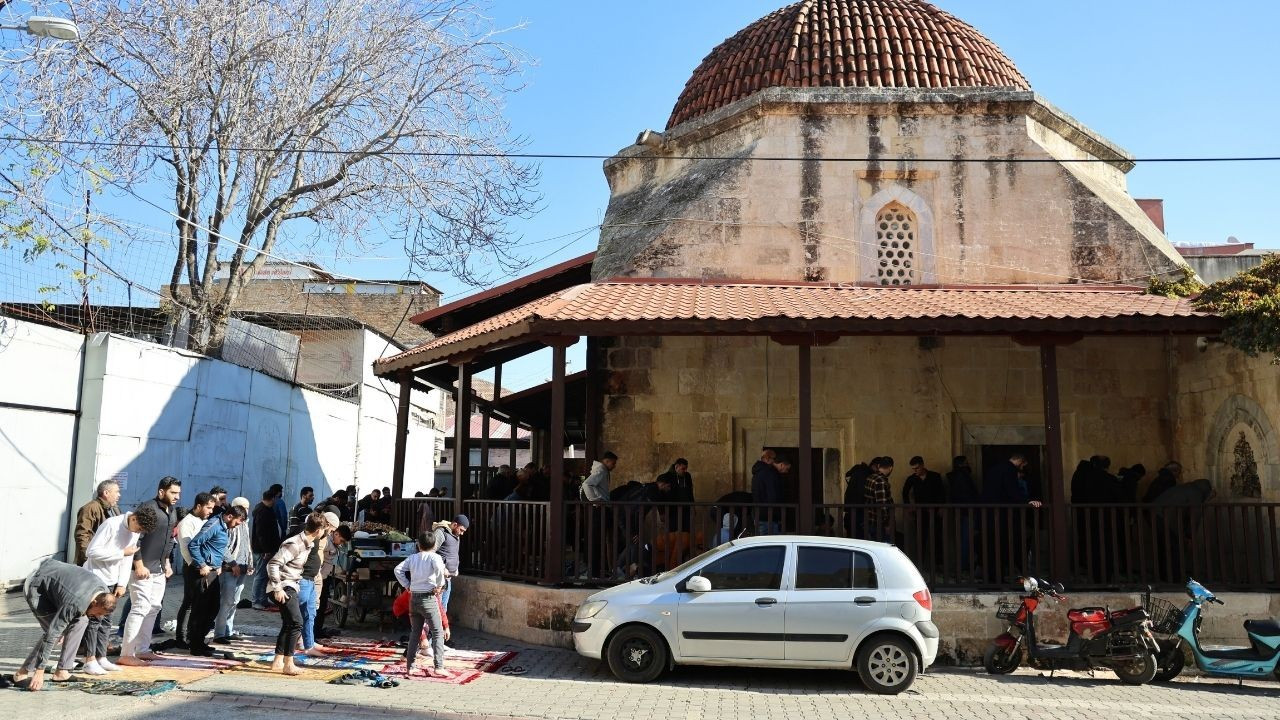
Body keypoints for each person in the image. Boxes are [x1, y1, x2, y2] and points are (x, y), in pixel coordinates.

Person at [13, 559, 116, 691]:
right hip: (38, 587)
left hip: (59, 586)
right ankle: (22, 673)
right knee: (57, 634)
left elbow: (91, 613)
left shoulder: (104, 592)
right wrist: (40, 671)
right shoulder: (75, 603)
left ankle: (62, 671)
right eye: (99, 613)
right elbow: (51, 634)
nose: (98, 616)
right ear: (95, 602)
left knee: (82, 621)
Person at [80, 505, 156, 674]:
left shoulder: (135, 531)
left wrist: (122, 583)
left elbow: (127, 559)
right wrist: (121, 552)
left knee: (107, 622)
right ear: (134, 518)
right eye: (139, 528)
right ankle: (89, 659)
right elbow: (91, 552)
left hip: (113, 581)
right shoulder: (111, 525)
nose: (139, 532)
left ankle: (101, 657)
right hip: (95, 577)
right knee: (94, 621)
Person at [118, 476, 181, 666]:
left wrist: (167, 562)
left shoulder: (172, 512)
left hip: (159, 569)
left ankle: (143, 650)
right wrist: (138, 564)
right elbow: (134, 538)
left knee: (154, 608)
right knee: (139, 608)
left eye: (178, 493)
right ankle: (126, 653)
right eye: (173, 492)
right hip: (142, 568)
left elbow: (170, 539)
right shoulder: (148, 508)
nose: (177, 496)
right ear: (161, 491)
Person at [266, 512, 326, 675]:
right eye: (324, 529)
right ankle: (288, 663)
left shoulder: (308, 543)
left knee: (289, 623)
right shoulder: (295, 543)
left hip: (292, 585)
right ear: (318, 530)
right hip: (284, 586)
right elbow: (273, 564)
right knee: (296, 622)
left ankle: (278, 661)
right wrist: (277, 588)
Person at [186, 505, 248, 656]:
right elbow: (193, 544)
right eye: (238, 521)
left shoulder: (224, 527)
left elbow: (221, 548)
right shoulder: (213, 525)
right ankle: (195, 645)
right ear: (229, 516)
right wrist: (202, 564)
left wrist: (232, 563)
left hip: (214, 571)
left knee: (212, 608)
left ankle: (201, 641)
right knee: (200, 610)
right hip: (204, 573)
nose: (239, 524)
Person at [393, 531, 451, 679]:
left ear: (418, 545)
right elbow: (439, 570)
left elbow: (397, 570)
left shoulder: (412, 558)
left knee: (415, 633)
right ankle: (439, 666)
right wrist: (439, 585)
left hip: (414, 598)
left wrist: (407, 585)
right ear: (434, 545)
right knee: (437, 632)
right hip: (428, 597)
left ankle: (410, 667)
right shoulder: (435, 557)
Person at [174, 492, 216, 648]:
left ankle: (194, 635)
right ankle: (182, 636)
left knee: (198, 603)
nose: (211, 511)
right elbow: (186, 548)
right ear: (198, 506)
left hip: (203, 566)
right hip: (193, 567)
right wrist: (198, 565)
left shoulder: (202, 520)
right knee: (189, 603)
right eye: (208, 508)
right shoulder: (187, 522)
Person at [212, 497, 253, 644]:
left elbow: (247, 546)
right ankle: (219, 634)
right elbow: (223, 547)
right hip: (229, 569)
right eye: (243, 508)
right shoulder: (229, 525)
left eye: (247, 508)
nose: (246, 511)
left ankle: (228, 631)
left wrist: (249, 563)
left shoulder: (244, 524)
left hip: (242, 568)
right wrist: (233, 563)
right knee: (226, 601)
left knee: (235, 601)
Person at [312, 520, 353, 641]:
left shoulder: (334, 545)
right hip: (318, 578)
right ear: (336, 534)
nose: (341, 544)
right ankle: (312, 634)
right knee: (315, 607)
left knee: (322, 606)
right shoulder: (324, 542)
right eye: (341, 541)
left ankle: (317, 631)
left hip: (326, 577)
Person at [74, 480, 122, 566]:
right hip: (92, 562)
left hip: (106, 559)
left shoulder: (115, 508)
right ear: (106, 493)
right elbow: (82, 535)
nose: (119, 495)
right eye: (117, 492)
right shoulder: (90, 508)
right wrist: (88, 559)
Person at [431, 514, 469, 618]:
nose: (461, 534)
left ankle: (437, 632)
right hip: (438, 579)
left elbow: (452, 553)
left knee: (443, 608)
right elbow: (430, 553)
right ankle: (431, 633)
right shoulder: (441, 533)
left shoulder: (455, 535)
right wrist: (442, 568)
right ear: (455, 525)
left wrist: (455, 568)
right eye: (461, 530)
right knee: (436, 609)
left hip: (447, 579)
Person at [251, 490, 283, 609]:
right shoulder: (262, 511)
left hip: (267, 549)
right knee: (260, 575)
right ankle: (255, 601)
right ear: (273, 498)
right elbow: (261, 534)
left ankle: (263, 599)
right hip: (263, 550)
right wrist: (266, 550)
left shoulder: (266, 509)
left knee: (265, 575)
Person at [752, 455, 788, 534]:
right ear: (782, 464)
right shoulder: (770, 473)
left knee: (763, 543)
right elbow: (772, 495)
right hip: (768, 516)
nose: (787, 471)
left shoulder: (759, 472)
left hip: (760, 514)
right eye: (787, 468)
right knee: (772, 544)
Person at [863, 457, 895, 543]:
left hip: (870, 520)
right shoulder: (880, 481)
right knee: (885, 550)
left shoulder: (871, 477)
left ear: (878, 466)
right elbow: (882, 505)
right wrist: (887, 524)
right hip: (879, 524)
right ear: (891, 468)